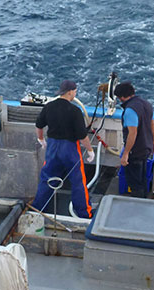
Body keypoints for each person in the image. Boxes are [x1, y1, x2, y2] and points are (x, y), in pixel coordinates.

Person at [31, 79, 95, 218]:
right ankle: (84, 214)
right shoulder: (75, 111)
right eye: (75, 91)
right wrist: (90, 150)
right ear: (71, 92)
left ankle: (37, 210)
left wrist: (41, 139)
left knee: (47, 178)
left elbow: (39, 126)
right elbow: (82, 136)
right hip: (70, 149)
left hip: (53, 147)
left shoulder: (49, 106)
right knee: (78, 181)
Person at [114, 81, 154, 198]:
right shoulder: (147, 104)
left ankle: (138, 205)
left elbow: (133, 133)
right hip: (146, 147)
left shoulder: (130, 110)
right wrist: (153, 141)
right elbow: (152, 124)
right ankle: (143, 199)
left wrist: (126, 153)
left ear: (122, 97)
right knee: (142, 178)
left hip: (135, 151)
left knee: (135, 183)